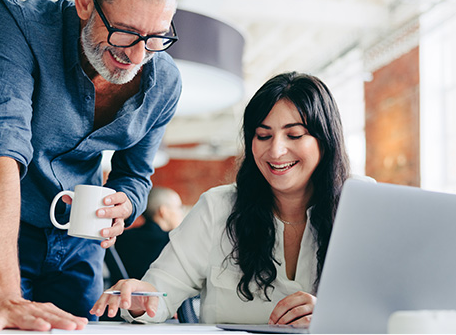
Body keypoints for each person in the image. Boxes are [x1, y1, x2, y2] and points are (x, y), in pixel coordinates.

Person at [0, 0, 180, 331]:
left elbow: (135, 175)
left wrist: (125, 205)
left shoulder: (166, 82)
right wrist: (4, 296)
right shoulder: (22, 25)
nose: (137, 55)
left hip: (79, 238)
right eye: (125, 32)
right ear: (85, 2)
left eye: (156, 37)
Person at [90, 71, 352, 326]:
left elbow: (388, 303)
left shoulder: (359, 209)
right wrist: (138, 296)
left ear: (325, 139)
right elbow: (160, 292)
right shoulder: (218, 207)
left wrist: (335, 315)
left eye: (294, 135)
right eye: (263, 136)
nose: (276, 150)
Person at [115, 187, 185, 279]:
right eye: (179, 207)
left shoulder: (120, 237)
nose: (182, 213)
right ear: (163, 211)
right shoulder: (173, 242)